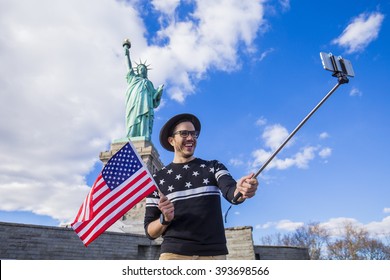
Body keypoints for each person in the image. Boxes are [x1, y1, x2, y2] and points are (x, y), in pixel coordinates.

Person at [144, 113, 258, 260]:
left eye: (193, 134)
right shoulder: (157, 180)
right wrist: (164, 219)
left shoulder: (214, 167)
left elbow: (233, 193)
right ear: (171, 140)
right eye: (184, 133)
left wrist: (243, 189)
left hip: (213, 256)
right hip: (173, 256)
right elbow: (150, 232)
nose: (191, 138)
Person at [123, 39, 163, 140]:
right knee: (133, 118)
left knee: (144, 119)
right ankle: (131, 135)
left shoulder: (149, 83)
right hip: (134, 104)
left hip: (146, 107)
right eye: (140, 68)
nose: (142, 70)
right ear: (138, 71)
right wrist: (127, 54)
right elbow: (129, 67)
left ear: (146, 71)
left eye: (144, 69)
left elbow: (154, 101)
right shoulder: (133, 78)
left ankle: (143, 135)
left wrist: (158, 92)